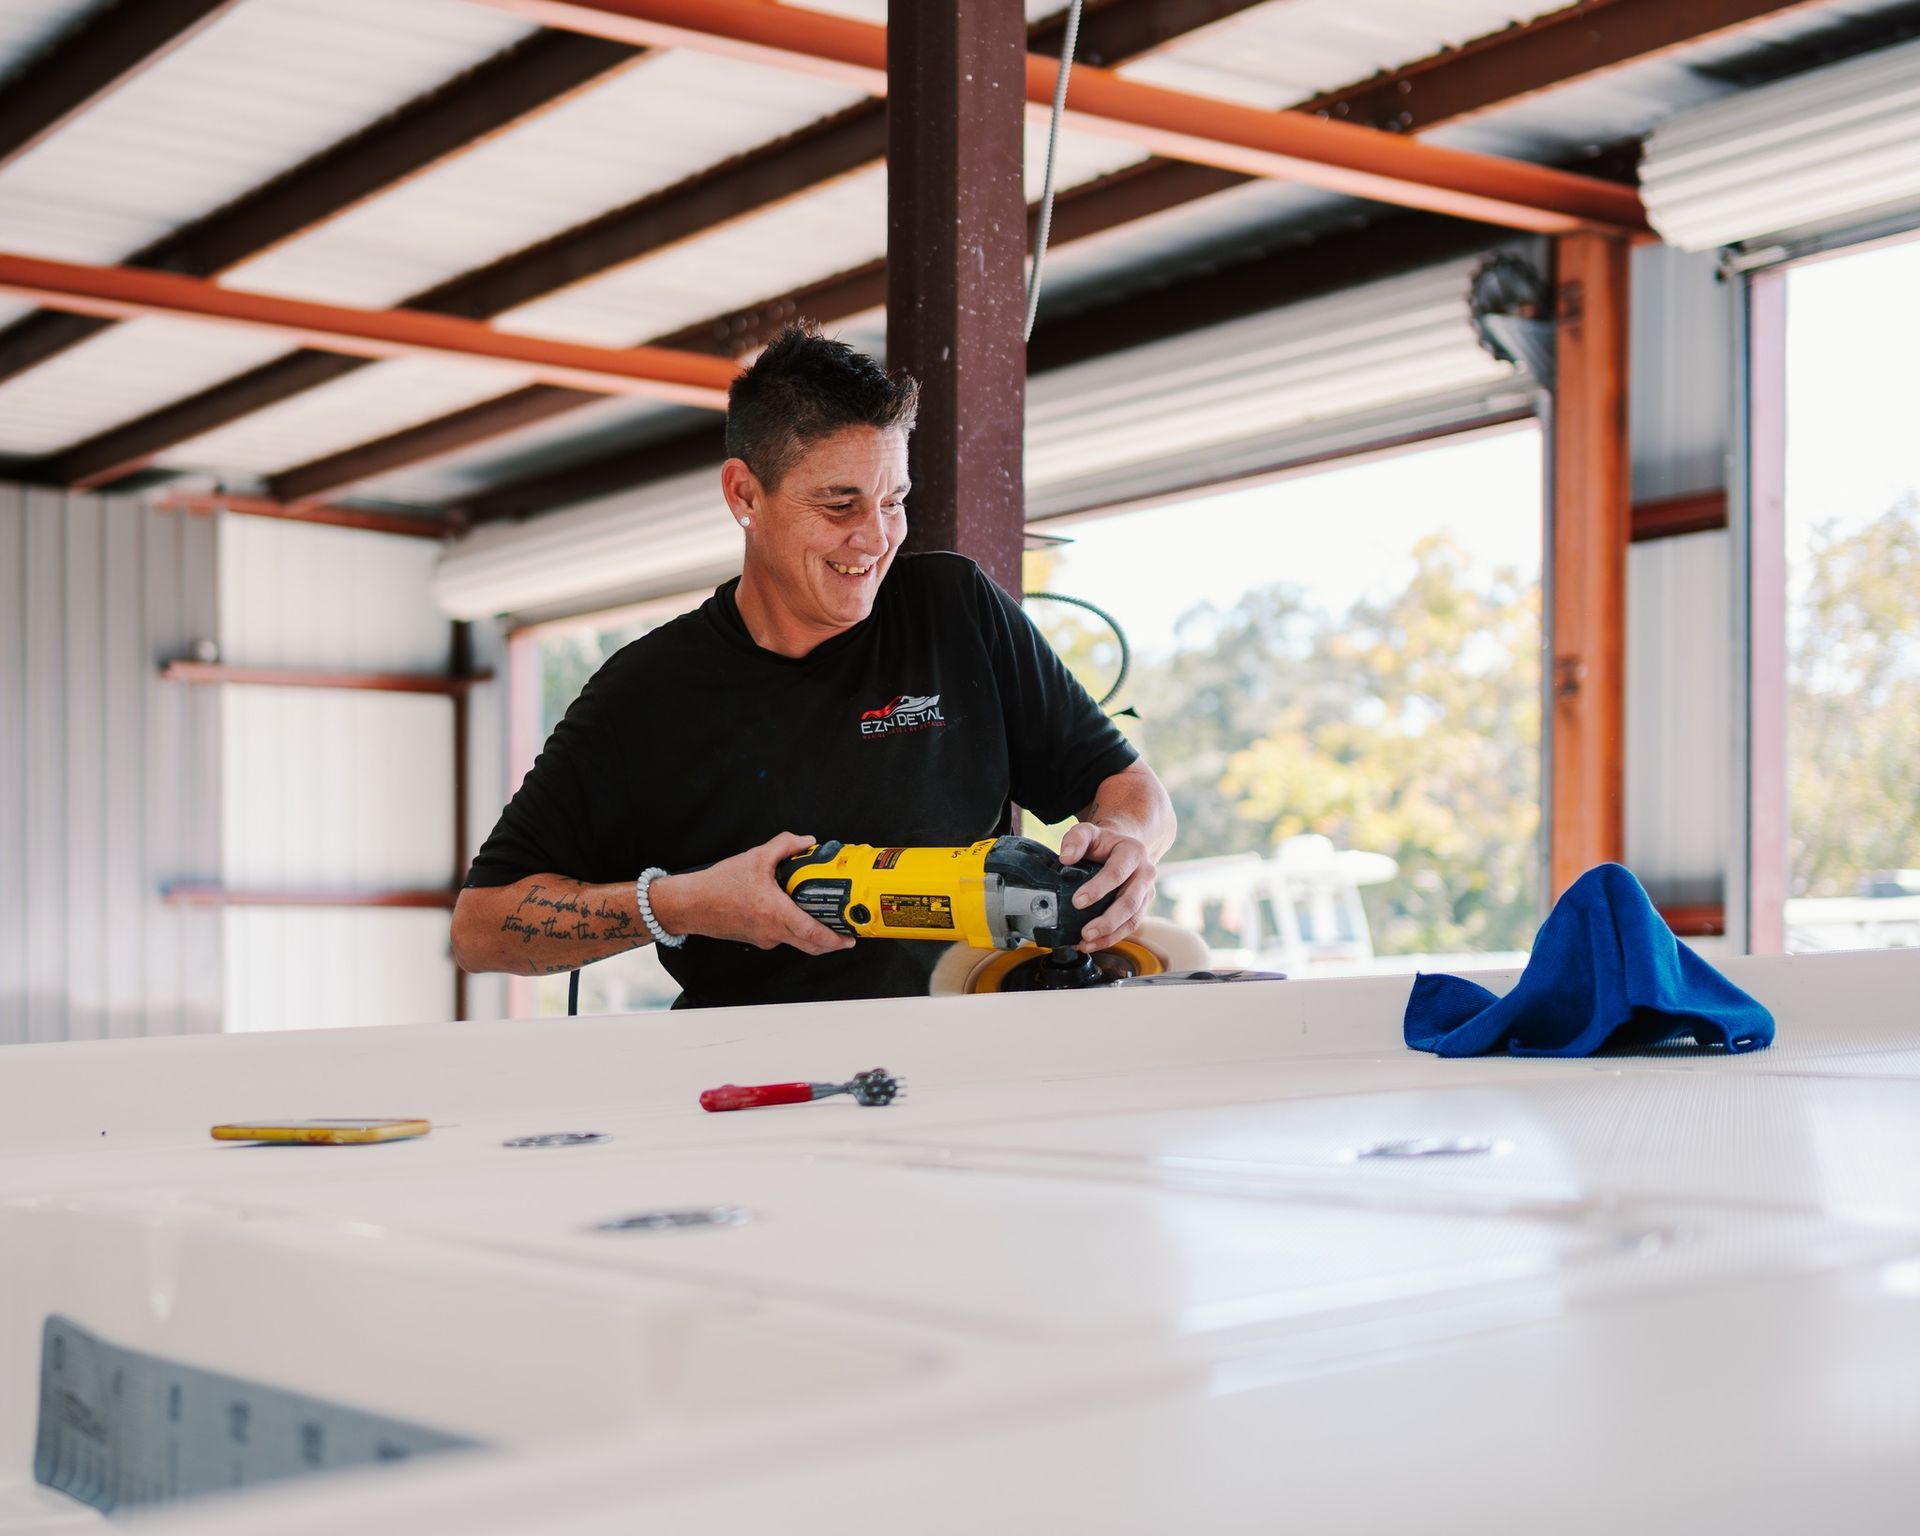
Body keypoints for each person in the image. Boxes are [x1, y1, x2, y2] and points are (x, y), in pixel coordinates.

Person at [451, 323, 1175, 1008]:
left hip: (968, 1058)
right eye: (838, 504)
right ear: (745, 495)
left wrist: (1128, 845)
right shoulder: (645, 694)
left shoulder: (952, 610)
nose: (875, 538)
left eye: (894, 501)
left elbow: (1130, 789)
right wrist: (684, 903)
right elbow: (481, 929)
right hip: (756, 1092)